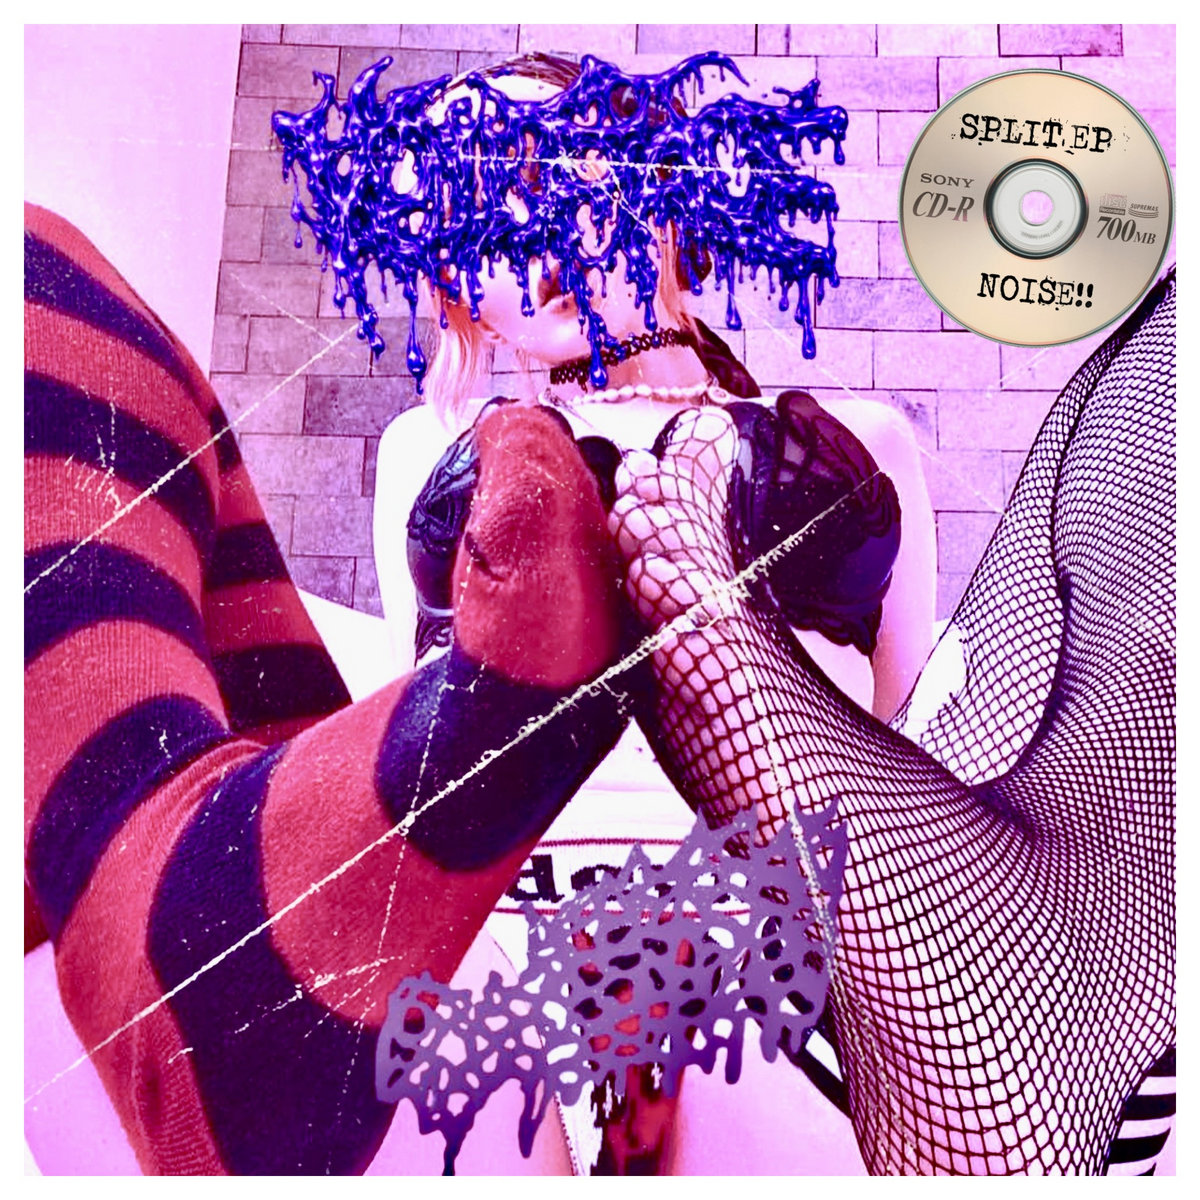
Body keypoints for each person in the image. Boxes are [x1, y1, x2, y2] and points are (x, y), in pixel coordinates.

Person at [365, 52, 935, 1173]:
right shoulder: (425, 452)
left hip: (782, 970)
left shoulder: (864, 442)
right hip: (499, 968)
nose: (530, 239)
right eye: (474, 215)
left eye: (557, 176)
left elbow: (916, 758)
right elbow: (405, 769)